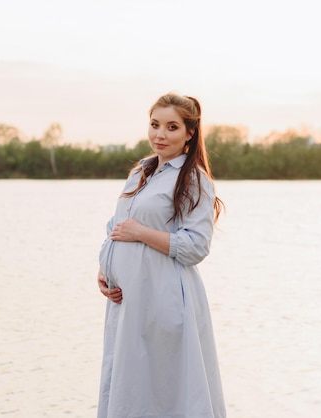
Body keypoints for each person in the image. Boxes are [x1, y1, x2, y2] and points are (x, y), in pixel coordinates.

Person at [96, 92, 226, 417]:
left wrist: (141, 234)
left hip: (163, 297)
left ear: (189, 133)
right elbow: (116, 225)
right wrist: (104, 269)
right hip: (128, 302)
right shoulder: (142, 171)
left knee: (164, 388)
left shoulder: (194, 179)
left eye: (171, 127)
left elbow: (196, 246)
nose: (159, 135)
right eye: (155, 125)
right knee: (130, 384)